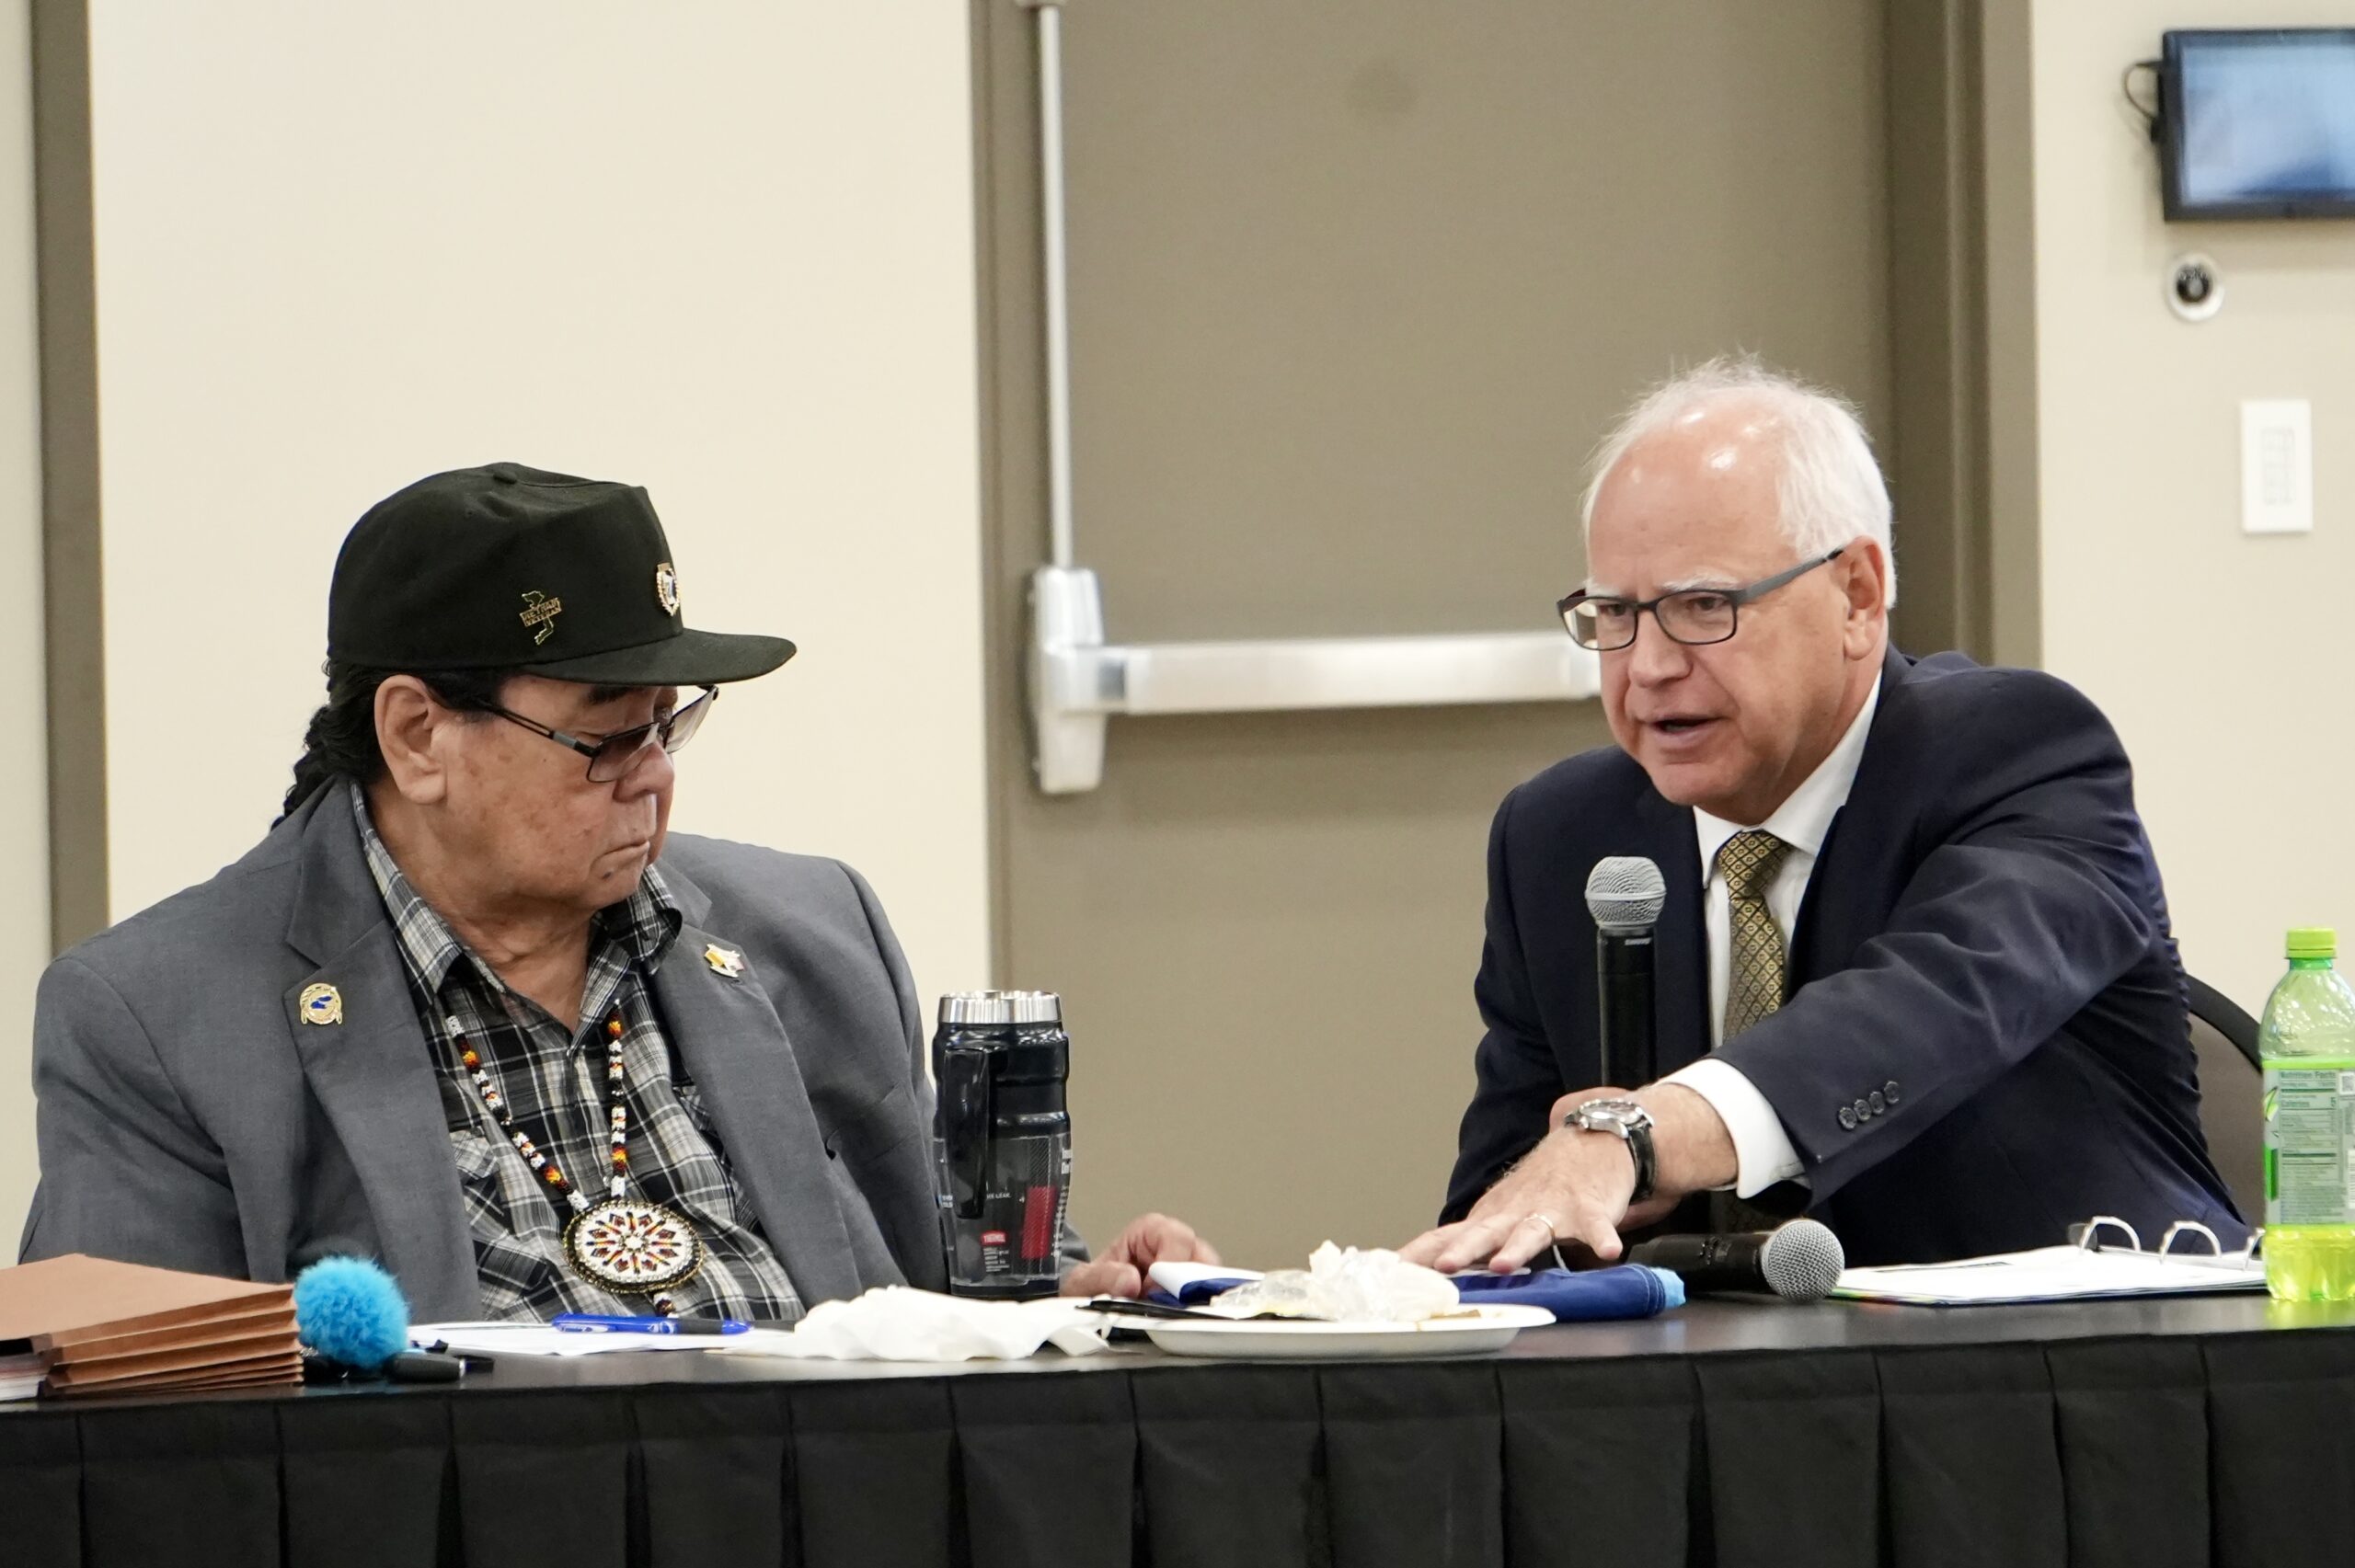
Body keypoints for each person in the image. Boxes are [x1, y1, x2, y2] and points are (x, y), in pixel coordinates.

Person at [20, 463, 1212, 1320]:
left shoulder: (812, 932)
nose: (652, 780)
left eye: (668, 727)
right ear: (418, 734)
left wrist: (1062, 1290)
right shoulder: (164, 1014)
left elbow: (935, 1295)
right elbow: (127, 1426)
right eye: (602, 739)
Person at [1404, 359, 2239, 1276]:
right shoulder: (1561, 835)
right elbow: (1511, 1207)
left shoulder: (2018, 754)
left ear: (1856, 594)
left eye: (1699, 606)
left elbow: (1922, 1005)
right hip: (1697, 1397)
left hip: (2077, 1378)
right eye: (1614, 613)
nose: (1644, 667)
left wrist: (1639, 1134)